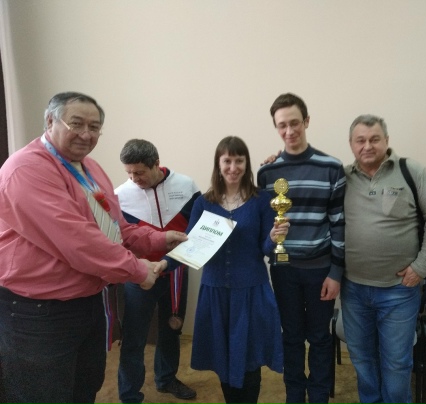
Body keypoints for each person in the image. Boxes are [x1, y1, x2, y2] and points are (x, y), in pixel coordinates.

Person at [0, 92, 186, 404]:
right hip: (37, 313)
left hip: (86, 302)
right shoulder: (26, 170)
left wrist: (157, 239)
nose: (86, 134)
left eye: (95, 127)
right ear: (50, 121)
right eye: (76, 124)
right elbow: (77, 241)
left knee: (85, 386)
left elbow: (114, 226)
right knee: (43, 394)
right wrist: (138, 270)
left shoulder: (90, 168)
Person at [342, 114, 426, 404]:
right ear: (351, 144)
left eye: (374, 139)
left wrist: (421, 267)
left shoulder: (411, 171)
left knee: (396, 363)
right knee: (362, 359)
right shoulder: (342, 177)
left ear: (387, 141)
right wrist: (279, 161)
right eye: (360, 140)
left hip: (398, 291)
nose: (367, 146)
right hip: (353, 290)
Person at [257, 93, 346, 404]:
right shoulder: (266, 173)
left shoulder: (332, 167)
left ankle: (319, 397)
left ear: (306, 121)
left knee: (320, 338)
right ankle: (294, 395)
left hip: (321, 270)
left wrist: (336, 272)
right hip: (283, 270)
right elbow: (263, 225)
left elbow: (339, 224)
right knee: (291, 337)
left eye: (294, 123)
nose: (289, 131)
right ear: (276, 127)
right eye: (282, 125)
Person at [186, 136, 288, 404]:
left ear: (247, 163)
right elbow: (190, 247)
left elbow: (265, 249)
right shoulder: (203, 203)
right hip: (215, 292)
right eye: (227, 161)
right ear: (218, 164)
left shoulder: (261, 200)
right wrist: (163, 263)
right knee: (223, 357)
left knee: (250, 357)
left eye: (239, 160)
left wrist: (273, 238)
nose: (233, 167)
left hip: (251, 291)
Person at [115, 139, 200, 403]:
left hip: (175, 271)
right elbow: (119, 239)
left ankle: (166, 379)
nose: (133, 179)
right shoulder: (121, 195)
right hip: (139, 274)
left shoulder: (186, 186)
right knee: (134, 337)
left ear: (156, 164)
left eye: (139, 172)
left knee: (172, 329)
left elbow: (198, 227)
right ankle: (130, 395)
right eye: (129, 172)